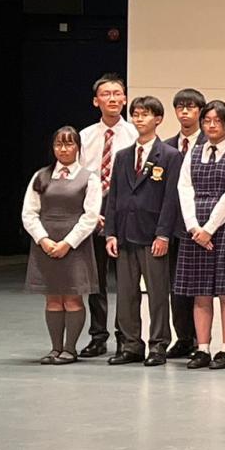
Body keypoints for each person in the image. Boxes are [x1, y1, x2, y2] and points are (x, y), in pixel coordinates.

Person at [174, 101, 225, 370]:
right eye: (207, 120)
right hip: (195, 227)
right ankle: (202, 348)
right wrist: (193, 227)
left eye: (217, 121)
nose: (211, 125)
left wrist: (209, 229)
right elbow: (184, 188)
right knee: (200, 293)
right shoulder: (194, 152)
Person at [104, 96, 182, 366]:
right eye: (136, 114)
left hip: (152, 235)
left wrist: (163, 234)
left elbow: (171, 199)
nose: (139, 119)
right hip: (125, 233)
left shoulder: (170, 155)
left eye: (145, 114)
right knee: (126, 294)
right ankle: (131, 345)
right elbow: (114, 196)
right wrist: (110, 232)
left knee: (158, 293)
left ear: (158, 119)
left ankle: (158, 345)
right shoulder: (123, 156)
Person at [22, 126, 101, 365]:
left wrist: (68, 243)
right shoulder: (40, 176)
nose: (63, 149)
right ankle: (55, 348)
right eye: (59, 144)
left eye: (69, 144)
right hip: (45, 244)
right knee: (53, 299)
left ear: (78, 147)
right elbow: (29, 212)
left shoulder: (89, 177)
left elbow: (90, 216)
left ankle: (70, 349)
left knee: (73, 298)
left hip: (75, 246)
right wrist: (43, 239)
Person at [78, 74, 137, 358]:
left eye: (117, 93)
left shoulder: (135, 134)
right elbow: (78, 178)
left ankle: (125, 336)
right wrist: (90, 213)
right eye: (106, 94)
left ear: (124, 99)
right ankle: (98, 336)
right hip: (93, 209)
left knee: (126, 279)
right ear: (95, 101)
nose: (112, 98)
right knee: (95, 279)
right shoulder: (84, 136)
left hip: (126, 211)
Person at [164, 88, 208, 359]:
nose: (184, 112)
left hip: (202, 225)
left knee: (201, 287)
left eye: (190, 107)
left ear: (200, 112)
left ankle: (202, 341)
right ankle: (183, 338)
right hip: (173, 226)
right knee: (176, 286)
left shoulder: (209, 143)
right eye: (180, 107)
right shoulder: (166, 146)